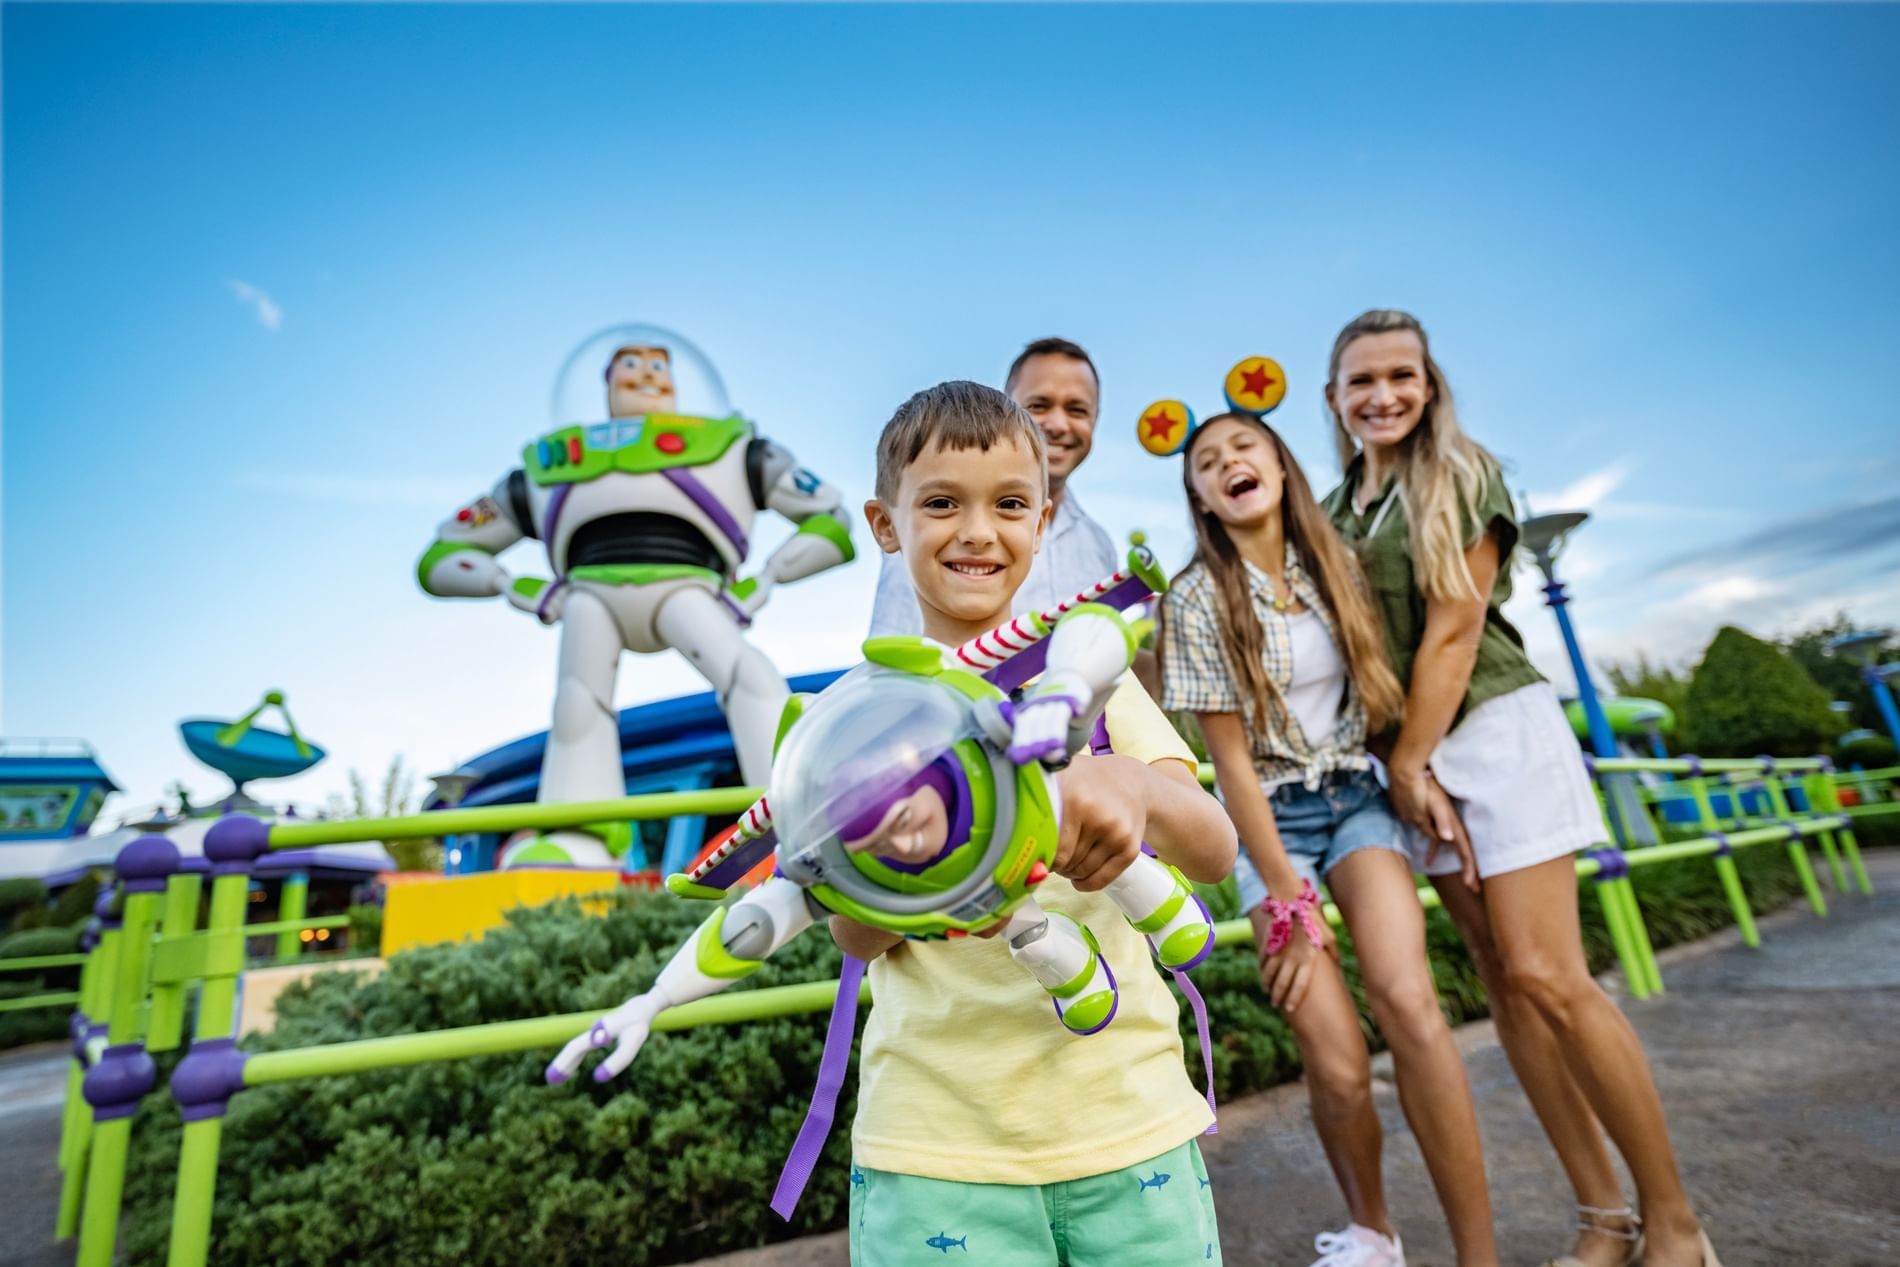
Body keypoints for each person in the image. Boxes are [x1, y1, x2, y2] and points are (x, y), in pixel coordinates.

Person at [1321, 309, 1720, 1267]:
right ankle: (1605, 1218)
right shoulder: (1335, 510)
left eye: (1401, 376)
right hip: (1407, 760)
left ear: (1430, 384)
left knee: (1550, 973)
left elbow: (1456, 627)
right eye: (1361, 380)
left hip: (1490, 735)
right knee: (1502, 982)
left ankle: (1675, 1222)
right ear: (1333, 396)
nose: (1383, 396)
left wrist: (1412, 763)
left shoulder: (1462, 471)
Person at [835, 380, 1238, 1265]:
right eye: (942, 502)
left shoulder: (1091, 675)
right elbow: (855, 934)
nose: (979, 530)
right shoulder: (856, 721)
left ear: (1044, 518)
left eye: (1010, 504)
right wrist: (911, 862)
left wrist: (1132, 783)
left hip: (1131, 1123)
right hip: (935, 1148)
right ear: (885, 522)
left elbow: (1213, 849)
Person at [1159, 411, 1497, 1267]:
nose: (1228, 461)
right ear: (1198, 493)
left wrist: (1416, 775)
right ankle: (1373, 1232)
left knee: (1413, 1006)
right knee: (1338, 1060)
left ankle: (1478, 1254)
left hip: (1357, 801)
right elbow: (1228, 765)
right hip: (1269, 826)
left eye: (1245, 446)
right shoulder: (1194, 597)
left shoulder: (1337, 564)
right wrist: (1284, 891)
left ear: (1278, 462)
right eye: (1207, 460)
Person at [868, 338, 1119, 635]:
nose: (1058, 424)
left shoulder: (1099, 546)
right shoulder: (920, 528)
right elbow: (893, 643)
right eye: (1038, 405)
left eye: (1077, 410)